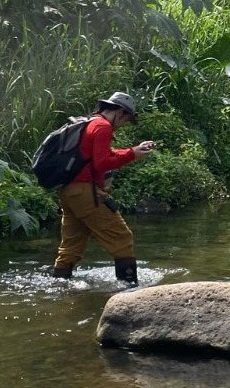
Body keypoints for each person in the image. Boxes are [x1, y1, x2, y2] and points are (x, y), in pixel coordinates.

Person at [51, 92, 156, 285]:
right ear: (120, 112)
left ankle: (59, 288)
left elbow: (99, 156)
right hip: (86, 191)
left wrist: (133, 150)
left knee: (70, 248)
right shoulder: (103, 127)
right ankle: (129, 292)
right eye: (126, 119)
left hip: (69, 192)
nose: (124, 124)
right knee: (122, 238)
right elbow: (102, 164)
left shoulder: (90, 123)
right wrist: (132, 155)